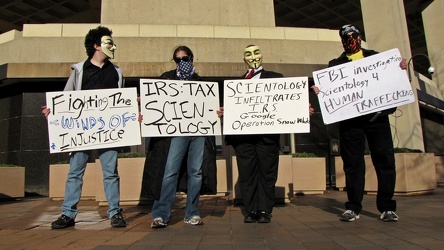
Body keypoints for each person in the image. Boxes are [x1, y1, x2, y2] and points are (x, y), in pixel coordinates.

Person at [312, 24, 407, 222]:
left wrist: (400, 69)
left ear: (360, 37)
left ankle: (387, 207)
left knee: (384, 161)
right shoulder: (335, 64)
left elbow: (391, 82)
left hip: (377, 119)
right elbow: (331, 91)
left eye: (353, 36)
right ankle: (353, 207)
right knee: (353, 164)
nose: (349, 40)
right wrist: (320, 91)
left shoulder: (377, 58)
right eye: (345, 37)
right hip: (350, 122)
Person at [217, 45, 314, 223]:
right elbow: (232, 109)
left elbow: (287, 100)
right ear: (244, 59)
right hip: (243, 139)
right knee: (247, 174)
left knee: (267, 173)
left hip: (267, 137)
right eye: (248, 54)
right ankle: (251, 209)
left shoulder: (275, 78)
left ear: (262, 55)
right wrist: (225, 111)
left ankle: (264, 210)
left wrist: (301, 109)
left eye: (256, 52)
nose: (253, 57)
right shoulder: (236, 85)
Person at [42, 26, 126, 229]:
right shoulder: (79, 71)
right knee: (75, 172)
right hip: (81, 133)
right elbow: (65, 97)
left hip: (108, 132)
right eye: (108, 42)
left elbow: (121, 102)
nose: (112, 46)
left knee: (110, 172)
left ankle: (115, 212)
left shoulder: (117, 72)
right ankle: (68, 214)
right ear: (96, 45)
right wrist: (53, 111)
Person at [145, 46, 209, 228]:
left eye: (185, 58)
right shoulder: (166, 78)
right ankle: (161, 215)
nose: (182, 62)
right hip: (176, 132)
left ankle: (192, 213)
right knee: (170, 171)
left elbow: (208, 106)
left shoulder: (200, 82)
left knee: (195, 172)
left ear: (192, 59)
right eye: (178, 59)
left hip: (197, 131)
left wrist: (216, 112)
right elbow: (155, 105)